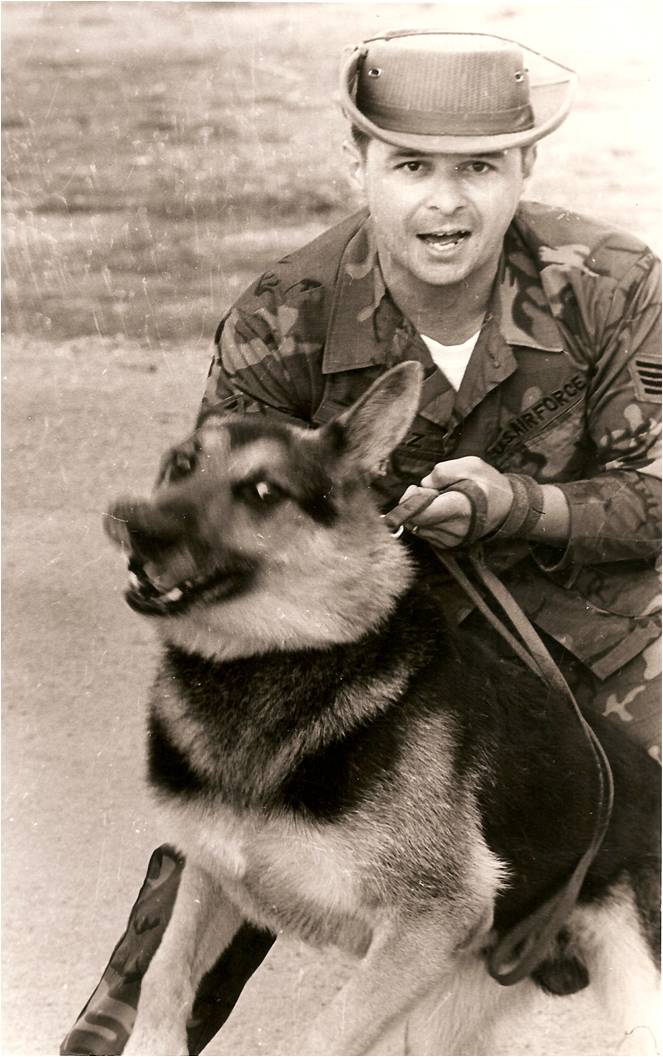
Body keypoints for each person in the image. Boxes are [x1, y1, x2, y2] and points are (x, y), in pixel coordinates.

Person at [62, 30, 661, 1056]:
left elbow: (655, 494)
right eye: (411, 166)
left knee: (637, 821)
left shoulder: (613, 283)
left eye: (479, 167)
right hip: (365, 626)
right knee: (244, 788)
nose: (445, 203)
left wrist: (517, 505)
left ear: (526, 165)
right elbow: (210, 538)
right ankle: (138, 1015)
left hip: (583, 624)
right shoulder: (281, 313)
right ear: (359, 163)